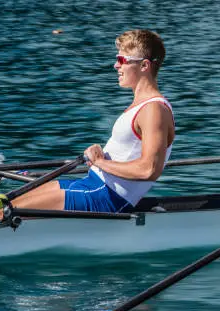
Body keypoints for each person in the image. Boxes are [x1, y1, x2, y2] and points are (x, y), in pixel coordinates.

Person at [11, 29, 175, 213]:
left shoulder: (154, 109)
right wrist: (100, 156)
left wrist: (100, 162)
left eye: (122, 60)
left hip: (106, 197)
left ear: (144, 66)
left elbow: (149, 169)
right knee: (6, 203)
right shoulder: (140, 105)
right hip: (93, 186)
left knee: (2, 212)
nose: (115, 65)